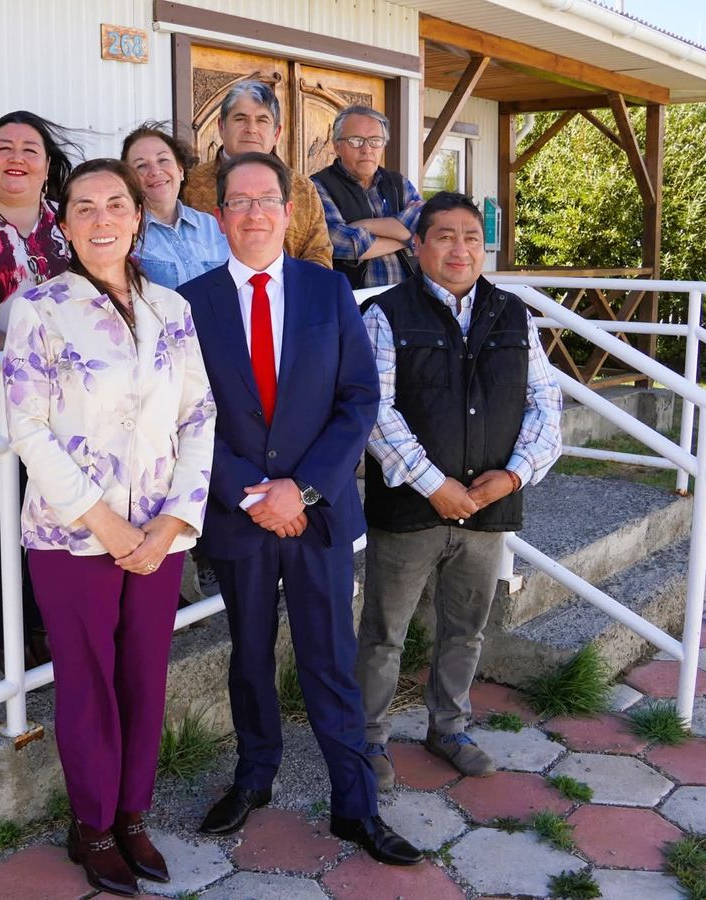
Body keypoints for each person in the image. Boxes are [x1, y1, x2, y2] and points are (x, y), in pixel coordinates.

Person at [178, 152, 421, 867]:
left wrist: (302, 488)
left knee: (330, 659)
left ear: (290, 212)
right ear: (219, 216)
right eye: (238, 201)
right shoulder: (188, 303)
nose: (253, 213)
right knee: (249, 656)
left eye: (267, 200)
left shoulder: (327, 291)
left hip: (316, 514)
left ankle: (355, 803)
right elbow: (188, 417)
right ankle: (255, 777)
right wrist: (252, 492)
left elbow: (358, 401)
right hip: (240, 515)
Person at [2, 159, 215, 896]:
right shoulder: (39, 309)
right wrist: (103, 522)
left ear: (136, 217)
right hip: (72, 536)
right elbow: (26, 427)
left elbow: (198, 414)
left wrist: (173, 521)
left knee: (143, 676)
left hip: (157, 532)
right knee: (88, 681)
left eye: (115, 205)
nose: (101, 219)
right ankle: (90, 825)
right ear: (64, 223)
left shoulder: (172, 309)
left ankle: (131, 814)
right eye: (84, 207)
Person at [357, 191, 562, 789]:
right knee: (383, 633)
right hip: (410, 508)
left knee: (466, 627)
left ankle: (448, 727)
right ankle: (367, 741)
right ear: (418, 247)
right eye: (444, 235)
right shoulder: (387, 312)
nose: (459, 247)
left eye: (471, 236)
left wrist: (516, 473)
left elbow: (545, 401)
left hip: (489, 507)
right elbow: (375, 409)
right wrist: (432, 483)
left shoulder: (514, 314)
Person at [0, 111, 78, 672]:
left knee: (58, 515)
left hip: (69, 408)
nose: (17, 156)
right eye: (4, 146)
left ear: (48, 165)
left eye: (31, 148)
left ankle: (53, 626)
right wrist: (18, 357)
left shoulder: (72, 222)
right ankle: (12, 636)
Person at [182, 81, 332, 269]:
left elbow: (318, 255)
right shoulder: (189, 184)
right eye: (240, 118)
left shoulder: (302, 188)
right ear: (221, 127)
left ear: (276, 133)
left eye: (262, 120)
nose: (251, 129)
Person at [311, 105, 424, 289]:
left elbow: (426, 227)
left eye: (375, 140)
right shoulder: (318, 186)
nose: (366, 149)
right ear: (337, 146)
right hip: (353, 302)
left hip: (407, 298)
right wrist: (407, 239)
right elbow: (340, 242)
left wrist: (363, 226)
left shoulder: (398, 184)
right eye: (356, 140)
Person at [121, 122, 230, 290]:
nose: (155, 171)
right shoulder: (125, 235)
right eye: (141, 165)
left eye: (163, 160)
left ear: (180, 170)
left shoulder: (214, 226)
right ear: (128, 180)